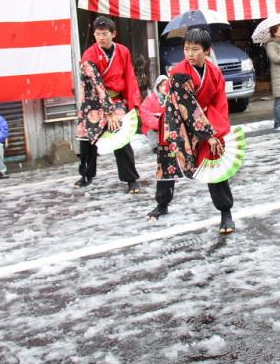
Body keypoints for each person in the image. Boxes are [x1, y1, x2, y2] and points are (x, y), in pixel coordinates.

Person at [147, 28, 236, 234]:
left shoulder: (215, 72)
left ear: (206, 51)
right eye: (186, 49)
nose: (189, 54)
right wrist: (208, 133)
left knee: (214, 164)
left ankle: (225, 212)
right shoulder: (178, 72)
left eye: (195, 49)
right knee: (169, 164)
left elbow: (219, 103)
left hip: (205, 123)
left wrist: (216, 133)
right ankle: (162, 204)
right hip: (177, 121)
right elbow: (187, 105)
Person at [75, 16, 143, 193]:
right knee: (87, 138)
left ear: (113, 34)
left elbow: (129, 76)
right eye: (97, 34)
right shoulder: (89, 55)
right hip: (94, 102)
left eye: (104, 34)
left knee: (120, 136)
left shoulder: (123, 51)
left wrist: (133, 103)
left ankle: (131, 179)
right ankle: (86, 175)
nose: (101, 38)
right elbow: (96, 85)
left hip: (116, 99)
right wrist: (108, 111)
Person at [139, 75, 169, 151]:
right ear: (158, 87)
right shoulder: (150, 98)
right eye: (162, 86)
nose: (165, 88)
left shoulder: (173, 98)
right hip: (155, 127)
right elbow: (144, 113)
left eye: (166, 85)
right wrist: (158, 123)